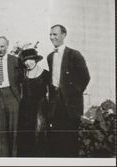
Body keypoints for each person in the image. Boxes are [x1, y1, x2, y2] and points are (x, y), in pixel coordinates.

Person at [47, 24, 90, 157]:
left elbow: (85, 77)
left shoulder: (74, 54)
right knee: (57, 139)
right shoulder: (50, 56)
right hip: (55, 104)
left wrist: (73, 93)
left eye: (55, 34)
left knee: (70, 140)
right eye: (50, 34)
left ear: (64, 35)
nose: (52, 37)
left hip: (71, 105)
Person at [0, 36, 23, 157]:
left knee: (14, 130)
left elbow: (22, 81)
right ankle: (4, 159)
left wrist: (20, 98)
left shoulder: (16, 60)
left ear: (7, 46)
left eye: (2, 46)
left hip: (13, 97)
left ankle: (15, 158)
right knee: (1, 131)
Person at [17, 48, 49, 157]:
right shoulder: (23, 75)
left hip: (40, 110)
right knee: (25, 138)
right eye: (25, 61)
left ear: (35, 59)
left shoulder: (46, 74)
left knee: (38, 136)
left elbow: (52, 95)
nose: (27, 63)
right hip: (25, 111)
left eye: (30, 60)